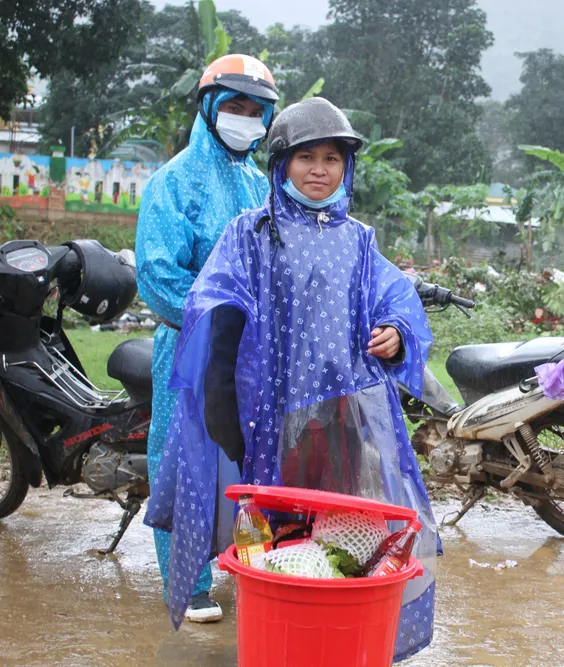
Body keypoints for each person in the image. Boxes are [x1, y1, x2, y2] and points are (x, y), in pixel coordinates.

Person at [144, 97, 439, 661]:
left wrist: (397, 332)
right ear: (281, 164)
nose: (320, 169)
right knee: (278, 532)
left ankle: (336, 638)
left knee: (343, 528)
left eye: (333, 158)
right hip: (271, 414)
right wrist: (224, 369)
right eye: (307, 157)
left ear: (346, 168)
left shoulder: (360, 239)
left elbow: (394, 299)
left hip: (344, 418)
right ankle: (280, 636)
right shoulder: (250, 232)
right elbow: (212, 299)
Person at [136, 53, 279, 623]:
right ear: (210, 108)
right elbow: (158, 272)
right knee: (189, 458)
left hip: (254, 352)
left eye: (256, 110)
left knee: (251, 459)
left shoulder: (260, 183)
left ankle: (252, 562)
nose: (246, 119)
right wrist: (218, 316)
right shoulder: (173, 182)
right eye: (235, 107)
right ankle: (190, 580)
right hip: (193, 347)